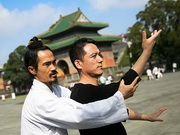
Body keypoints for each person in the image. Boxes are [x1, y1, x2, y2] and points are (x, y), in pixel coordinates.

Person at [21, 37, 139, 135]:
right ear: (32, 70)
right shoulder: (39, 99)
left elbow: (91, 99)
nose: (53, 68)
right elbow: (81, 116)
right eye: (47, 64)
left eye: (53, 62)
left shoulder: (56, 90)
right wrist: (119, 96)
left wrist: (144, 116)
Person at [69, 30, 167, 135]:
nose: (100, 59)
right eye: (94, 56)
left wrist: (146, 117)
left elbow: (119, 110)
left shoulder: (96, 91)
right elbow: (126, 82)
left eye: (99, 55)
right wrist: (146, 51)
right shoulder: (83, 93)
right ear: (78, 64)